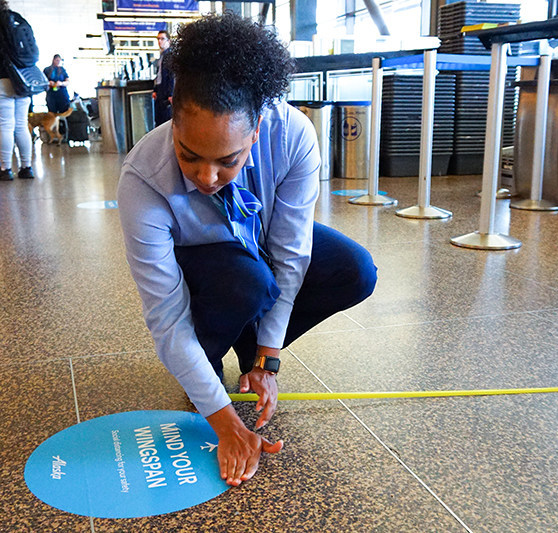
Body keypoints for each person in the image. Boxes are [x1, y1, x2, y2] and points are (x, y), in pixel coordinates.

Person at [117, 13, 377, 487]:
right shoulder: (142, 180)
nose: (207, 177)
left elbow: (291, 254)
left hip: (258, 249)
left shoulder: (294, 136)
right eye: (189, 154)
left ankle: (247, 350)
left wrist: (267, 359)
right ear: (173, 118)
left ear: (256, 129)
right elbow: (165, 315)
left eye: (228, 160)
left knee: (354, 270)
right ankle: (205, 366)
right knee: (245, 281)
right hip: (209, 270)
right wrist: (225, 423)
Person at [0, 0, 34, 180]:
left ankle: (5, 169)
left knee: (5, 125)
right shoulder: (17, 19)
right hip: (23, 79)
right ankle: (26, 167)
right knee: (21, 125)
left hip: (3, 79)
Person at [151, 30, 173, 126]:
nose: (160, 41)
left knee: (165, 122)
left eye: (162, 39)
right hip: (160, 92)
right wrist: (155, 89)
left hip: (166, 95)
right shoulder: (161, 56)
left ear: (169, 41)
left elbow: (172, 75)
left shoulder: (170, 56)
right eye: (158, 39)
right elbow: (159, 74)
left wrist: (171, 94)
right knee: (159, 120)